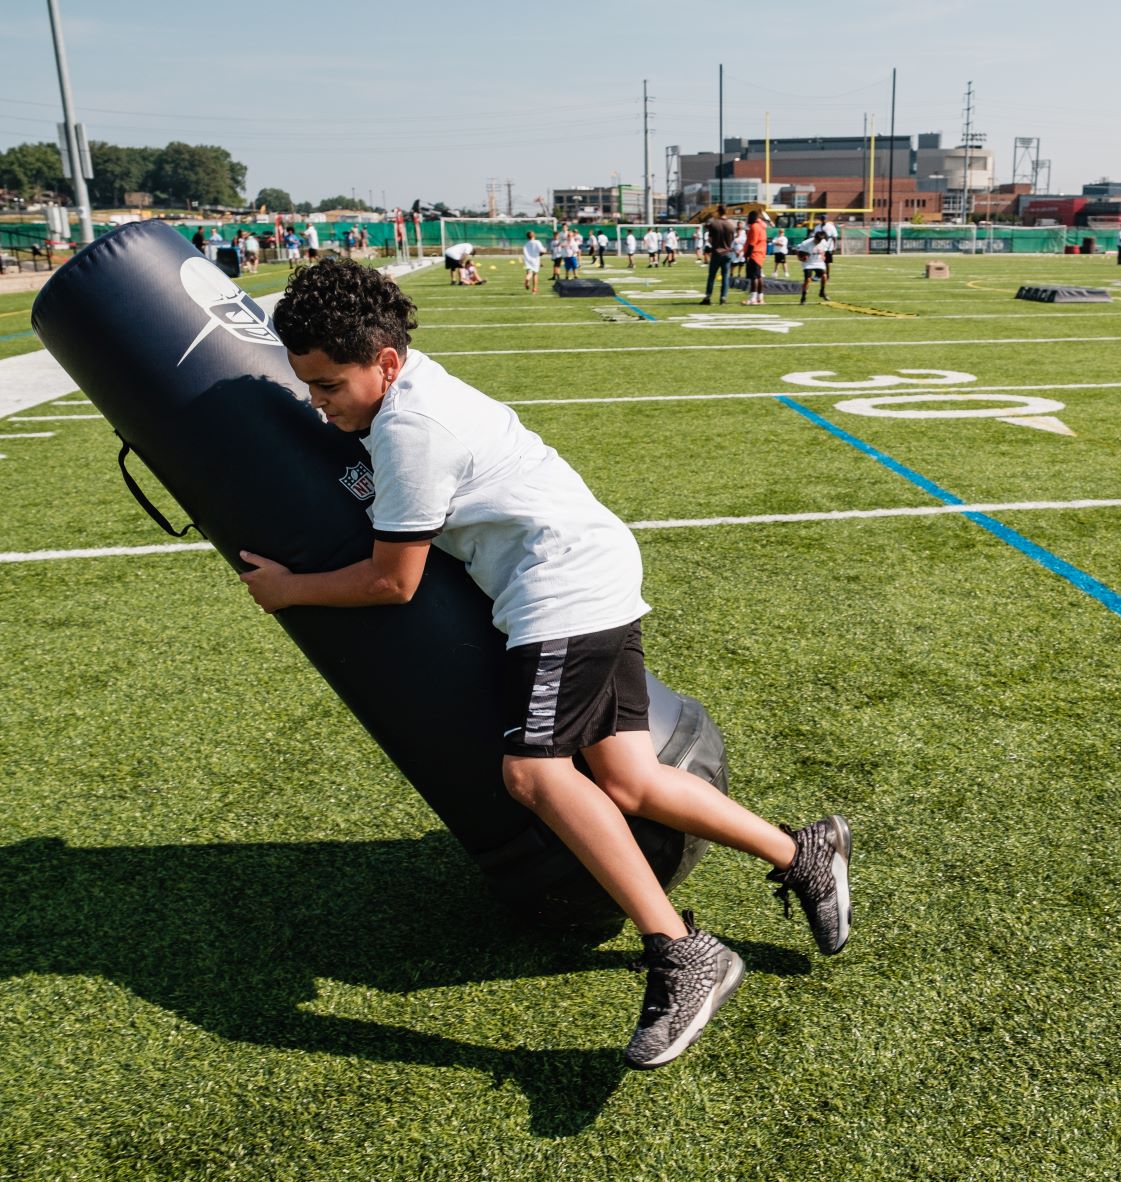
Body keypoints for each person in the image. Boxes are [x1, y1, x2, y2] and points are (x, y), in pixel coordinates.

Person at [241, 259, 853, 1070]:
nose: (320, 404)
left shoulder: (410, 428)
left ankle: (680, 951)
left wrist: (291, 592)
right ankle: (801, 851)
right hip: (589, 570)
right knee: (627, 782)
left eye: (330, 385)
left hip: (560, 588)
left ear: (385, 361)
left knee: (531, 774)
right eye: (309, 388)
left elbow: (395, 580)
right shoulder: (408, 395)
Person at [700, 205, 736, 304]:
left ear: (718, 212)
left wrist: (715, 245)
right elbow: (732, 240)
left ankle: (708, 297)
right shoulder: (731, 225)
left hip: (716, 252)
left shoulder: (714, 224)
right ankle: (723, 298)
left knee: (712, 276)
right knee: (725, 276)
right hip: (727, 252)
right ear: (726, 212)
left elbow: (710, 239)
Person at [741, 209, 767, 305]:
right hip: (760, 254)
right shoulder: (761, 226)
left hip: (755, 254)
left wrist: (747, 255)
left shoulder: (755, 227)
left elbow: (752, 243)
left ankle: (753, 299)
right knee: (759, 276)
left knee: (754, 277)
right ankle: (760, 298)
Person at [797, 229, 830, 302]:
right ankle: (803, 297)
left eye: (819, 241)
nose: (818, 242)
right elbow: (799, 254)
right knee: (807, 280)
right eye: (817, 241)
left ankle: (822, 292)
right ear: (814, 238)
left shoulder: (823, 242)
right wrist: (802, 258)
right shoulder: (806, 243)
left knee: (824, 276)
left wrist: (823, 256)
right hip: (808, 263)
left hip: (819, 262)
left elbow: (824, 251)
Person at [521, 229, 545, 293]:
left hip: (528, 261)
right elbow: (542, 251)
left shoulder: (526, 244)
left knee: (529, 273)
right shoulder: (537, 242)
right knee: (535, 274)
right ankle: (534, 289)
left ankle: (527, 279)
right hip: (535, 260)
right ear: (534, 235)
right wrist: (545, 250)